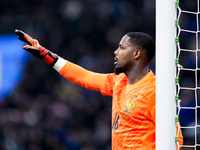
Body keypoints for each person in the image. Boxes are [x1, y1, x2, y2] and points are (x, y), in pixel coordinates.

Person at [15, 29, 183, 150]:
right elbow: (84, 77)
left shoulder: (155, 91)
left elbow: (177, 141)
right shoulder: (118, 82)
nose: (115, 52)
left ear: (137, 54)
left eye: (122, 48)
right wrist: (46, 54)